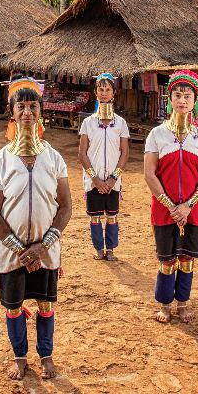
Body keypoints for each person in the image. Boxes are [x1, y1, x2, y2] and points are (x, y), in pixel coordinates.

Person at [0, 76, 73, 381]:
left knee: (45, 303)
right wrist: (21, 249)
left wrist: (42, 246)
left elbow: (66, 207)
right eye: (20, 105)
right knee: (13, 307)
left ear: (40, 111)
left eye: (32, 105)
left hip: (45, 250)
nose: (27, 111)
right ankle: (20, 357)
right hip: (12, 253)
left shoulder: (54, 158)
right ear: (12, 111)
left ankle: (46, 355)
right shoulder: (1, 161)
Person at [143, 70, 198, 324]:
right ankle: (165, 305)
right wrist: (172, 206)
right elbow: (149, 174)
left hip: (194, 210)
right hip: (164, 210)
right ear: (169, 99)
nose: (182, 100)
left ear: (195, 100)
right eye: (177, 95)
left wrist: (188, 205)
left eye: (187, 95)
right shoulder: (157, 134)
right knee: (166, 261)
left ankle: (182, 303)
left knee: (186, 260)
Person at [78, 72, 130, 261]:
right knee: (95, 216)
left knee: (112, 216)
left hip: (113, 181)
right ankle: (99, 249)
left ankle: (111, 250)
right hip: (93, 181)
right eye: (101, 89)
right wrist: (95, 179)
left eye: (108, 89)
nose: (104, 93)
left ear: (113, 93)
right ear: (95, 93)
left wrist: (113, 178)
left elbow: (124, 153)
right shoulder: (88, 123)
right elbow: (82, 153)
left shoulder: (121, 123)